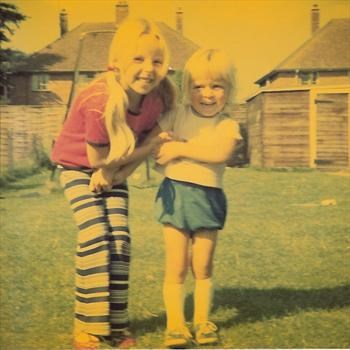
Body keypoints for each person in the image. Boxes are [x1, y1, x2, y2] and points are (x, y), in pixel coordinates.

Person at [51, 18, 176, 350]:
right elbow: (98, 163)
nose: (149, 69)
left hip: (113, 166)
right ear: (116, 61)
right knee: (95, 235)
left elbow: (127, 160)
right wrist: (146, 150)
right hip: (78, 168)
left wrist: (121, 173)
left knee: (119, 239)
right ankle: (88, 327)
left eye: (157, 61)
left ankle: (116, 326)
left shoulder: (158, 97)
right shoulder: (99, 98)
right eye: (138, 59)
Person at [153, 48, 242, 348]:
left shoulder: (228, 125)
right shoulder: (176, 115)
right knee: (176, 265)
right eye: (198, 86)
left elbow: (219, 153)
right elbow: (155, 144)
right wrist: (162, 148)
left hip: (208, 199)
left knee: (202, 265)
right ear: (187, 87)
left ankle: (202, 322)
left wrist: (180, 149)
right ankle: (176, 326)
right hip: (175, 195)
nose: (207, 93)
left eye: (216, 86)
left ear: (229, 90)